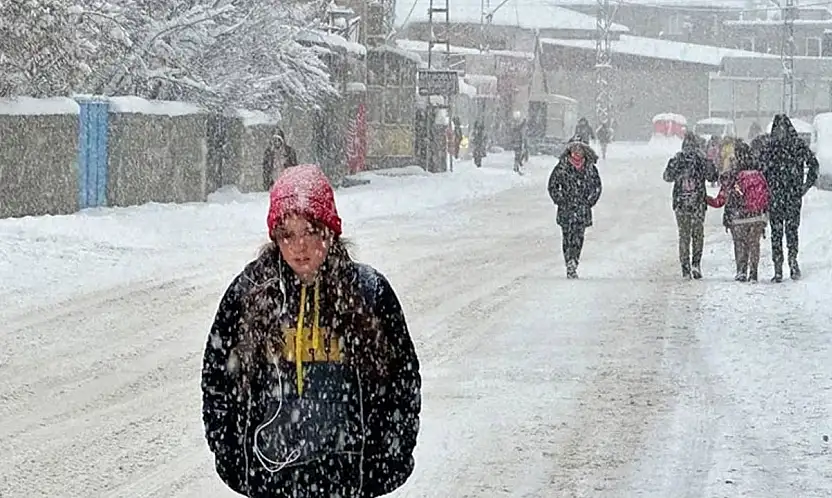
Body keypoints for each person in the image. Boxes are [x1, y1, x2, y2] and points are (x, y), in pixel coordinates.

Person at [202, 165, 421, 498]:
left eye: (310, 231)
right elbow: (218, 377)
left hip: (346, 478)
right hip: (273, 478)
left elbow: (402, 380)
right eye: (287, 235)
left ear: (330, 231)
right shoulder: (250, 293)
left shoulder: (367, 292)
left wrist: (391, 452)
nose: (299, 246)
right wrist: (232, 456)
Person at [759, 114, 819, 282]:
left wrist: (804, 187)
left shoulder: (774, 147)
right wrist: (804, 186)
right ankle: (784, 265)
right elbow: (813, 165)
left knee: (785, 232)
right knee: (784, 232)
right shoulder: (791, 145)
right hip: (785, 196)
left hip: (783, 196)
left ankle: (786, 265)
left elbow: (761, 170)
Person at [706, 141, 771, 282]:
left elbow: (720, 201)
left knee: (740, 243)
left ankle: (741, 270)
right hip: (757, 215)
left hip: (738, 216)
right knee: (754, 244)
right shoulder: (759, 172)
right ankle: (753, 272)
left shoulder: (731, 175)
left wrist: (705, 199)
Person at [663, 131, 719, 279]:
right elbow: (713, 176)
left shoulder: (678, 158)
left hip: (681, 203)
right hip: (698, 202)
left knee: (684, 235)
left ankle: (685, 267)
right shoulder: (701, 159)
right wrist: (708, 163)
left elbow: (667, 177)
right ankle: (696, 263)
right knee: (698, 234)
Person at [547, 139, 603, 279]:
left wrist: (590, 201)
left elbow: (597, 187)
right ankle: (569, 261)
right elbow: (552, 185)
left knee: (578, 237)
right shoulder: (562, 167)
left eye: (579, 151)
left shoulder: (590, 168)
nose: (577, 153)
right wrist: (560, 199)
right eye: (574, 150)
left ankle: (574, 260)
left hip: (582, 209)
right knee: (567, 237)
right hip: (566, 209)